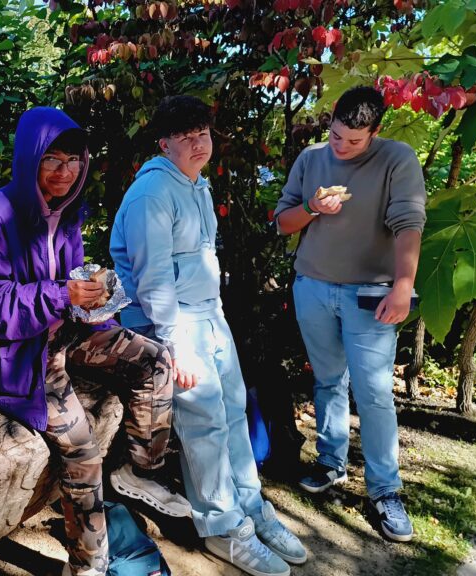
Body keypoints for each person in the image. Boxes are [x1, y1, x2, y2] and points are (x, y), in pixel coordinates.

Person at [0, 107, 191, 576]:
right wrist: (63, 294)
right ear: (29, 158)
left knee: (155, 360)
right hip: (11, 354)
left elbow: (70, 285)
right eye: (52, 159)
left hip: (61, 332)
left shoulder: (66, 210)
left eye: (74, 160)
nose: (65, 171)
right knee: (82, 451)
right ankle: (88, 564)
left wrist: (93, 297)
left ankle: (140, 471)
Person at [110, 95, 307, 576]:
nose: (198, 144)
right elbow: (154, 280)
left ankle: (251, 507)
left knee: (234, 411)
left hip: (208, 316)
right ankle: (223, 528)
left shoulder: (196, 184)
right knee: (204, 423)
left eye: (203, 133)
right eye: (185, 137)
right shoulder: (152, 194)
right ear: (163, 144)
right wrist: (174, 346)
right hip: (169, 322)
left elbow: (202, 260)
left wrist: (217, 319)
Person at [273, 86, 426, 542]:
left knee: (374, 391)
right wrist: (312, 208)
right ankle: (331, 462)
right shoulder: (311, 158)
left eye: (354, 141)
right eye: (336, 135)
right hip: (313, 287)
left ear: (375, 132)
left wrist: (403, 287)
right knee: (327, 381)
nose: (341, 146)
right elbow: (283, 222)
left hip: (371, 293)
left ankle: (385, 491)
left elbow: (409, 224)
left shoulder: (397, 159)